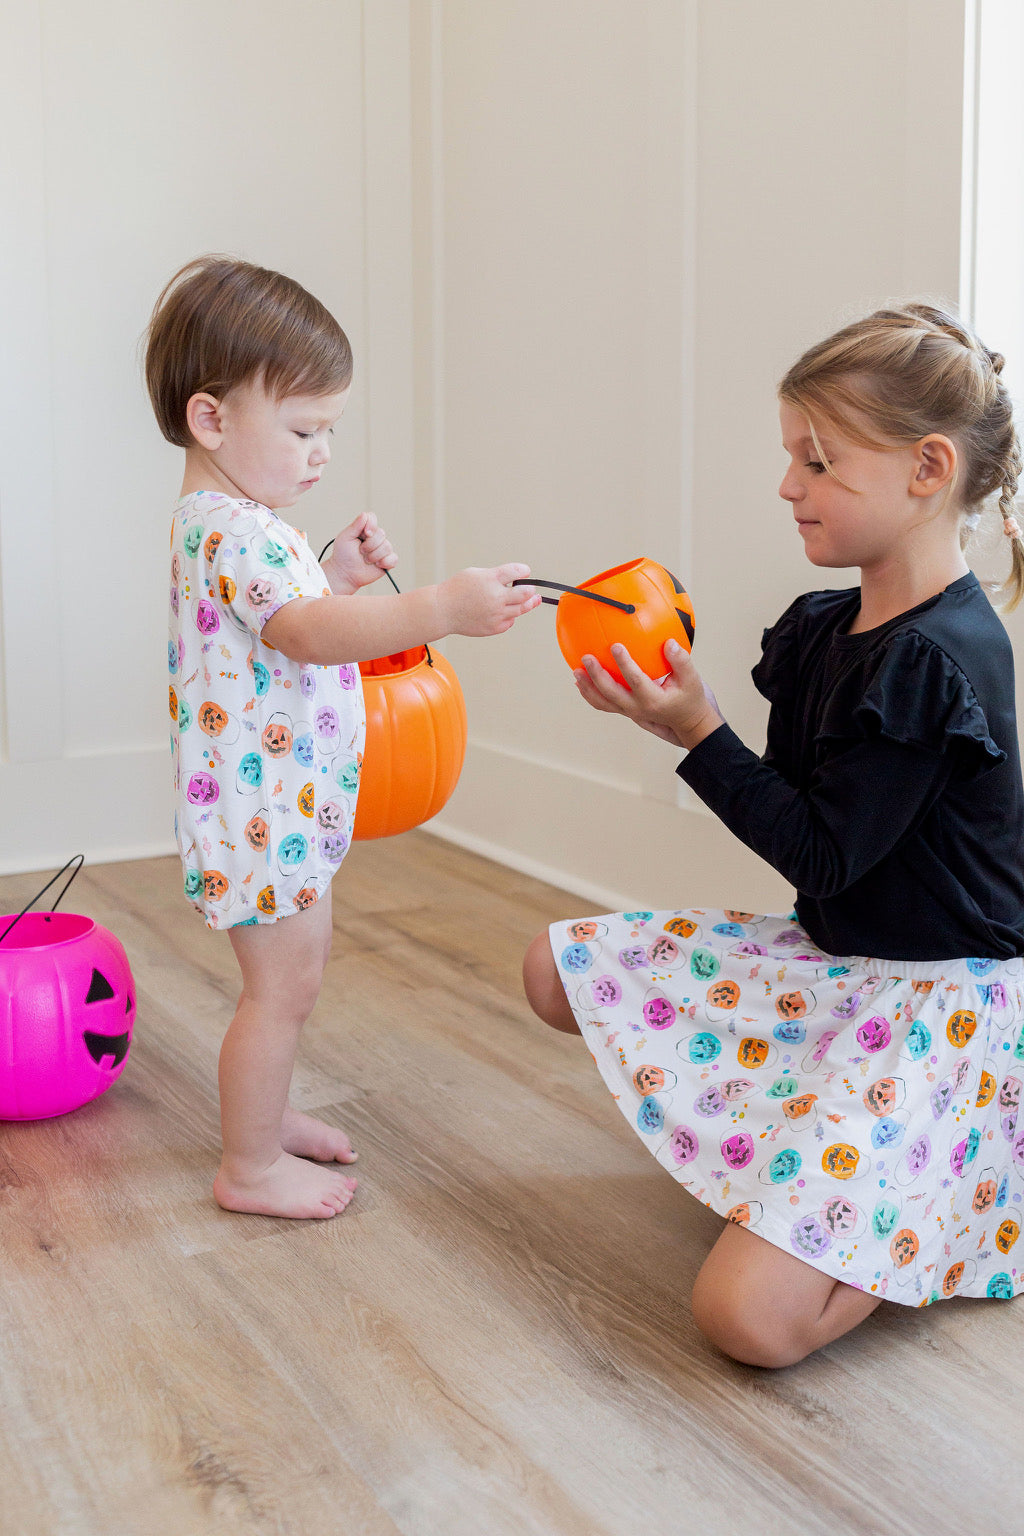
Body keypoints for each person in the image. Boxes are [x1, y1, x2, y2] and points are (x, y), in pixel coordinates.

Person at [523, 303, 1024, 1367]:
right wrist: (683, 711)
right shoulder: (825, 629)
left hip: (945, 1006)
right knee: (551, 971)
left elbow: (820, 853)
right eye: (790, 456)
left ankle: (937, 1208)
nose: (787, 485)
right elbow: (809, 819)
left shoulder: (937, 661)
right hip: (842, 965)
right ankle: (831, 1167)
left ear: (927, 469)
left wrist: (696, 731)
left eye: (818, 461)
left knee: (746, 1321)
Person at [147, 256, 539, 1220]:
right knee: (281, 992)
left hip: (271, 801)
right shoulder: (236, 531)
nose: (322, 452)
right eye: (303, 428)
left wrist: (338, 571)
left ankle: (263, 1119)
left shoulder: (235, 525)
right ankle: (248, 1167)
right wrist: (438, 607)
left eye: (330, 429)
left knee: (292, 982)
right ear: (211, 419)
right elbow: (309, 634)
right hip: (262, 810)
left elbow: (285, 621)